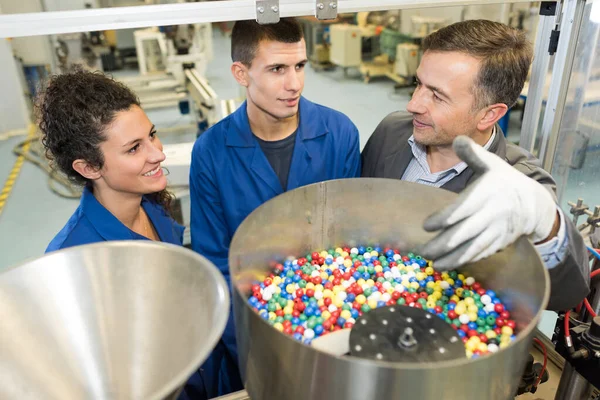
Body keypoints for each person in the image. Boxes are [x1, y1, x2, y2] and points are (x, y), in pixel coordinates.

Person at [361, 19, 590, 311]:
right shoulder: (392, 131)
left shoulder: (518, 183)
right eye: (419, 83)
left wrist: (548, 225)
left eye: (437, 95)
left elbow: (565, 295)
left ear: (488, 115)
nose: (414, 104)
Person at [189, 18, 361, 398]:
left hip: (333, 322)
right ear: (241, 73)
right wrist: (257, 350)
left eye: (300, 66)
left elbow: (350, 246)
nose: (294, 84)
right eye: (277, 69)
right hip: (251, 330)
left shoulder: (340, 133)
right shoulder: (212, 152)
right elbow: (217, 263)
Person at [39, 69, 184, 252]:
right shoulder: (72, 256)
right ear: (89, 167)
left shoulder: (153, 203)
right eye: (133, 148)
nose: (159, 155)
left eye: (152, 135)